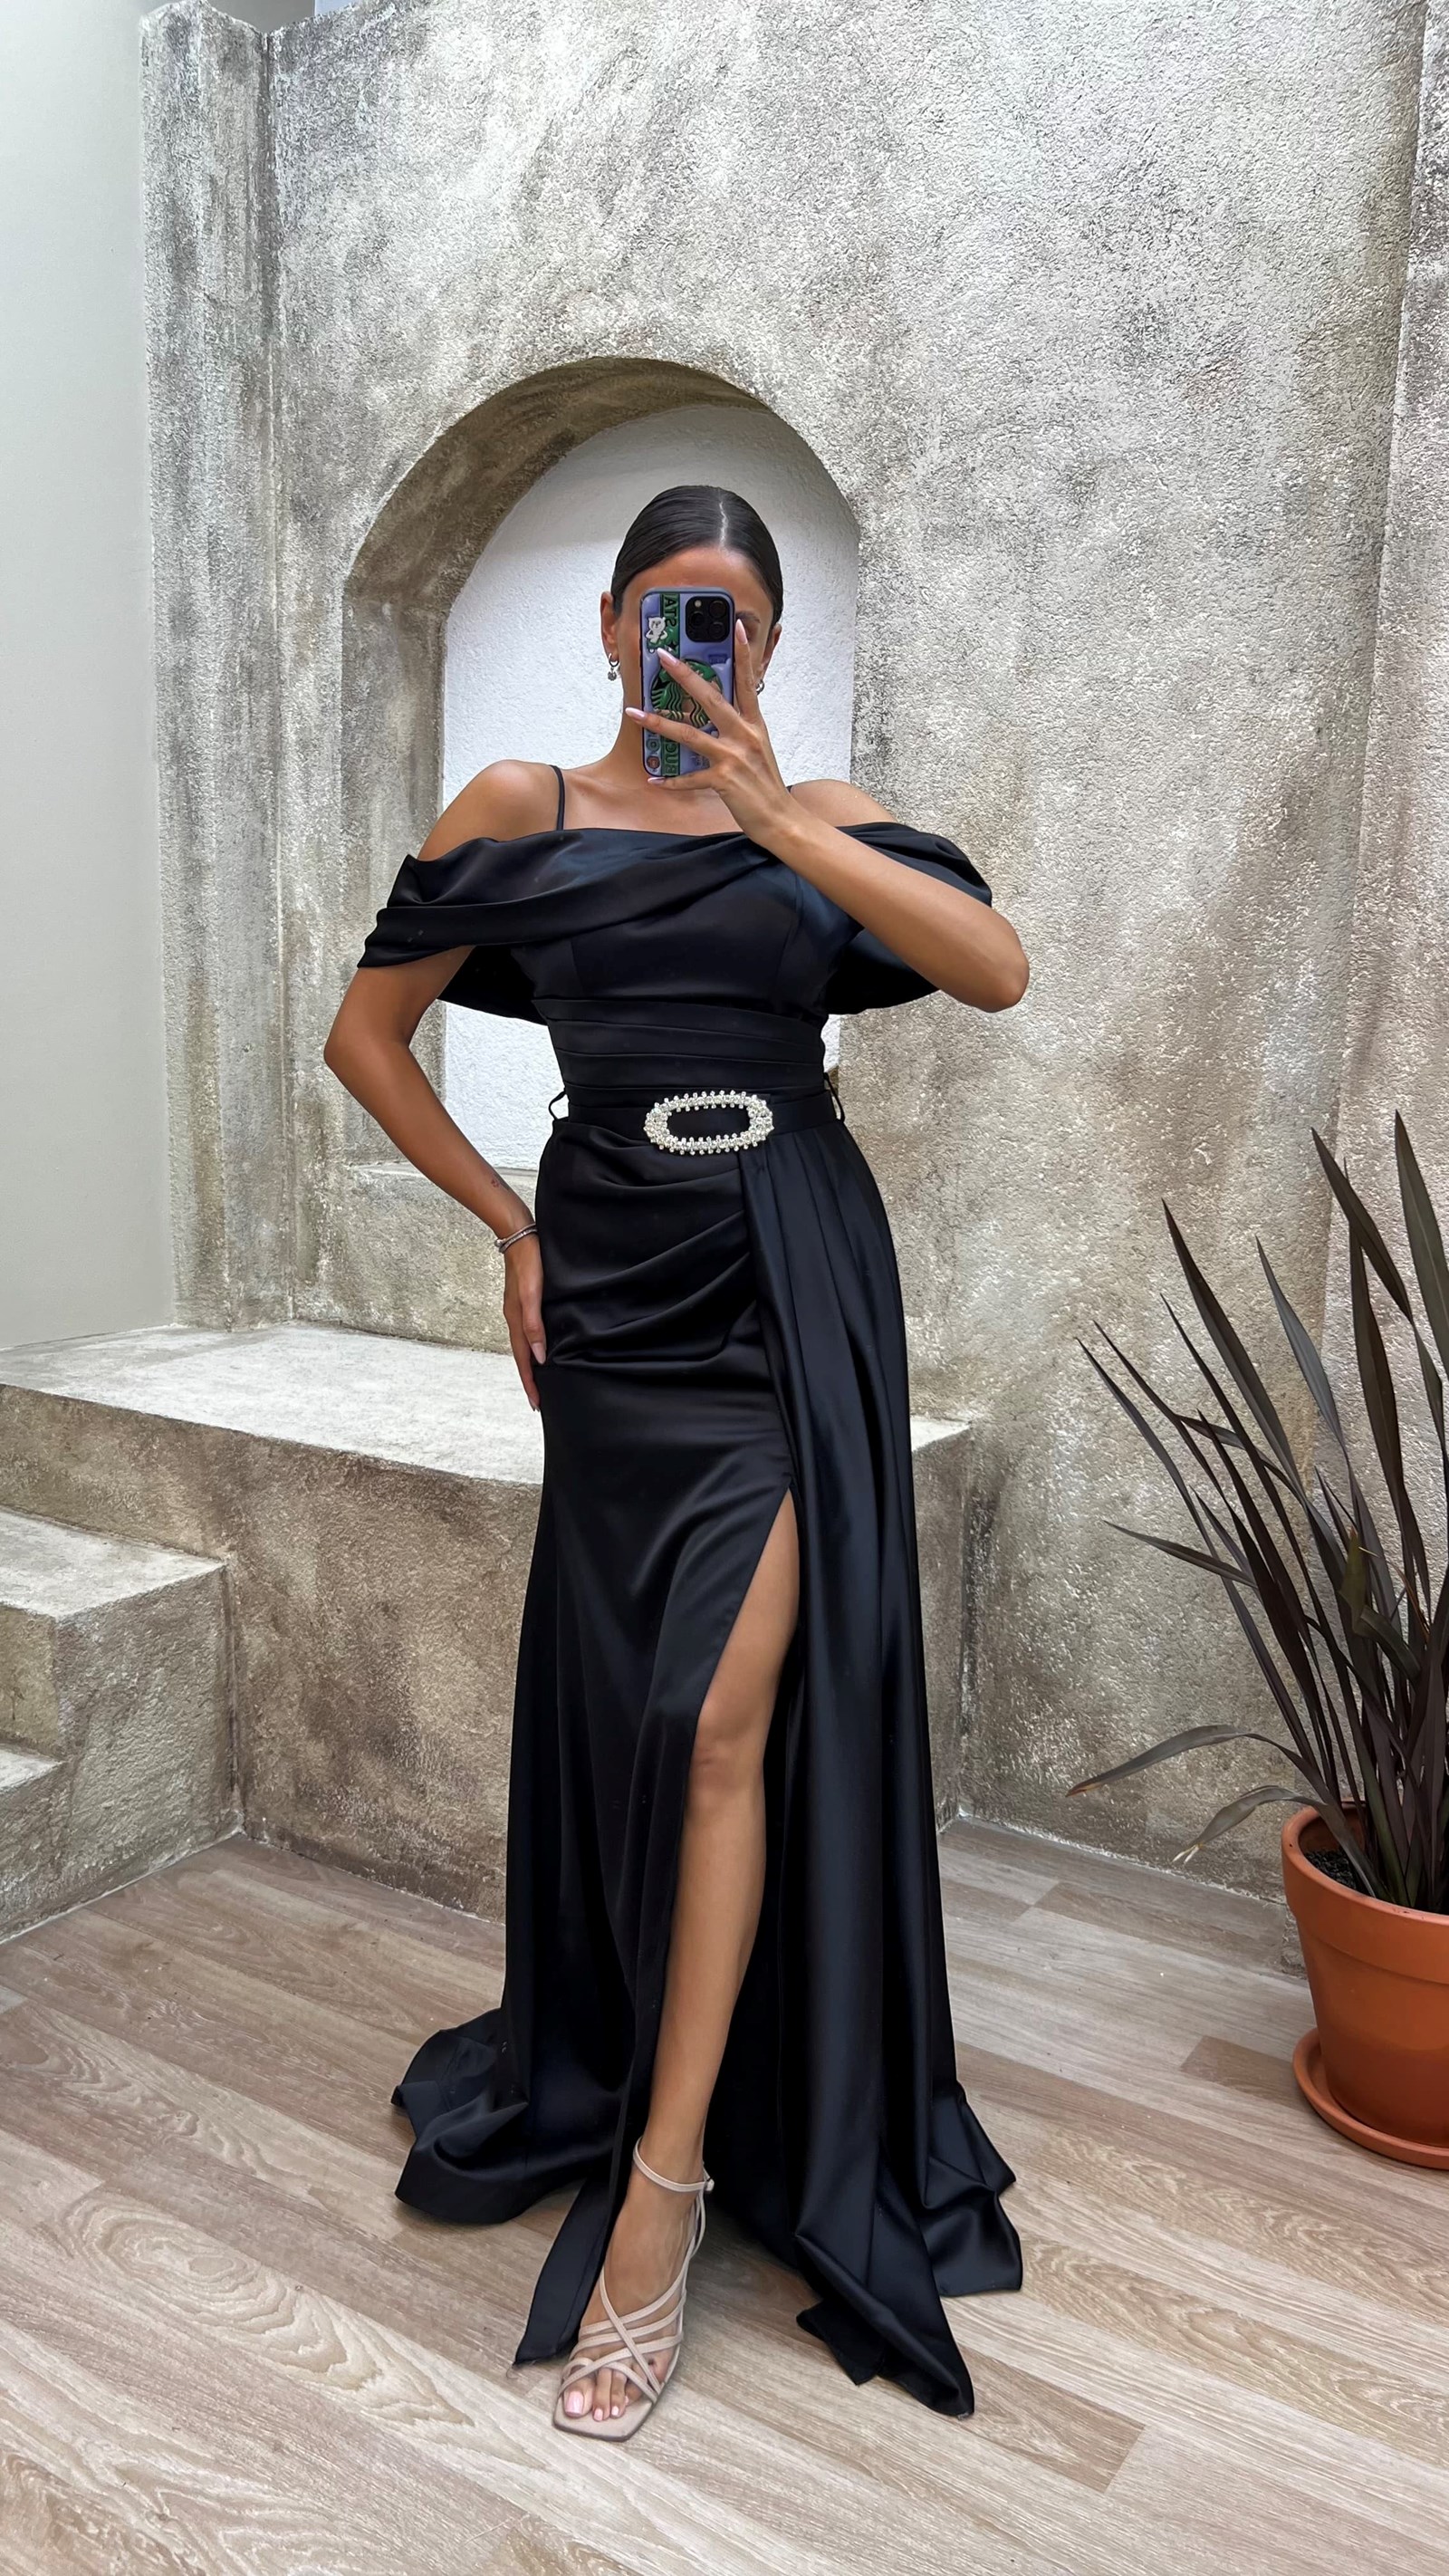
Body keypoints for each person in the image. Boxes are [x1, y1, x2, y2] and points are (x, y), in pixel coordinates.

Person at [324, 484, 1030, 2440]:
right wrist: (509, 1227)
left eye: (732, 620)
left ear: (771, 647)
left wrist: (780, 817)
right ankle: (651, 2041)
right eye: (664, 609)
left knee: (721, 1717)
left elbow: (994, 969)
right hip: (615, 1288)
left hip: (787, 1283)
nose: (693, 644)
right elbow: (365, 1038)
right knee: (641, 1703)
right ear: (613, 624)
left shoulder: (824, 817)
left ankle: (665, 2187)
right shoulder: (520, 807)